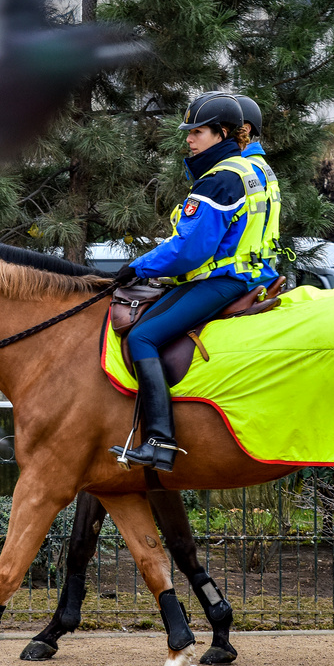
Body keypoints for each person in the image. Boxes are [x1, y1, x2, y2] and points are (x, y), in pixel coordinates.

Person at [109, 93, 271, 471]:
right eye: (189, 132)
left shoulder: (218, 181)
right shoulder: (249, 169)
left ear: (223, 133)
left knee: (142, 337)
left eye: (197, 132)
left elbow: (191, 250)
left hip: (222, 281)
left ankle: (160, 442)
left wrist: (140, 267)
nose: (189, 140)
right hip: (249, 275)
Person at [234, 94, 282, 288]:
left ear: (245, 129)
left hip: (245, 275)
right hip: (261, 268)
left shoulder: (244, 169)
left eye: (221, 129)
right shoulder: (258, 164)